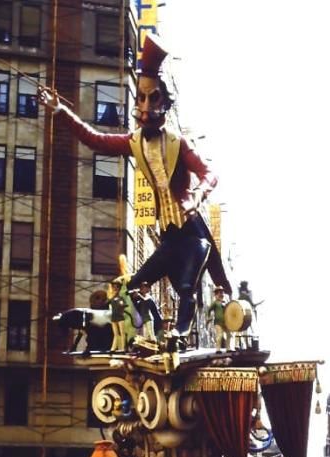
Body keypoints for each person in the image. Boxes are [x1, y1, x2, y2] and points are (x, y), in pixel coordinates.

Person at [38, 33, 232, 351]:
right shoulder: (134, 142)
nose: (144, 105)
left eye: (152, 98)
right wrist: (61, 110)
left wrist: (195, 197)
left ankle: (180, 334)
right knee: (129, 287)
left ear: (164, 103)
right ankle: (118, 336)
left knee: (186, 287)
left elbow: (209, 174)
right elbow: (95, 139)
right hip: (169, 236)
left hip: (192, 234)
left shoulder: (177, 142)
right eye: (140, 98)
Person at [206, 286, 229, 351]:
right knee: (219, 335)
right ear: (216, 294)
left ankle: (228, 348)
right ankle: (218, 349)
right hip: (218, 322)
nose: (221, 294)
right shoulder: (215, 303)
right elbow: (209, 309)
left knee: (228, 335)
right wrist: (209, 317)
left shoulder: (225, 302)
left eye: (222, 292)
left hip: (226, 322)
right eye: (219, 293)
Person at [108, 280, 127, 352]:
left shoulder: (120, 298)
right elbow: (106, 303)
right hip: (114, 317)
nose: (115, 289)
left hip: (120, 317)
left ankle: (123, 348)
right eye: (113, 287)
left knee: (122, 333)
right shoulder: (112, 298)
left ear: (119, 288)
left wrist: (121, 306)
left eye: (116, 287)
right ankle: (113, 348)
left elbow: (123, 305)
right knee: (115, 334)